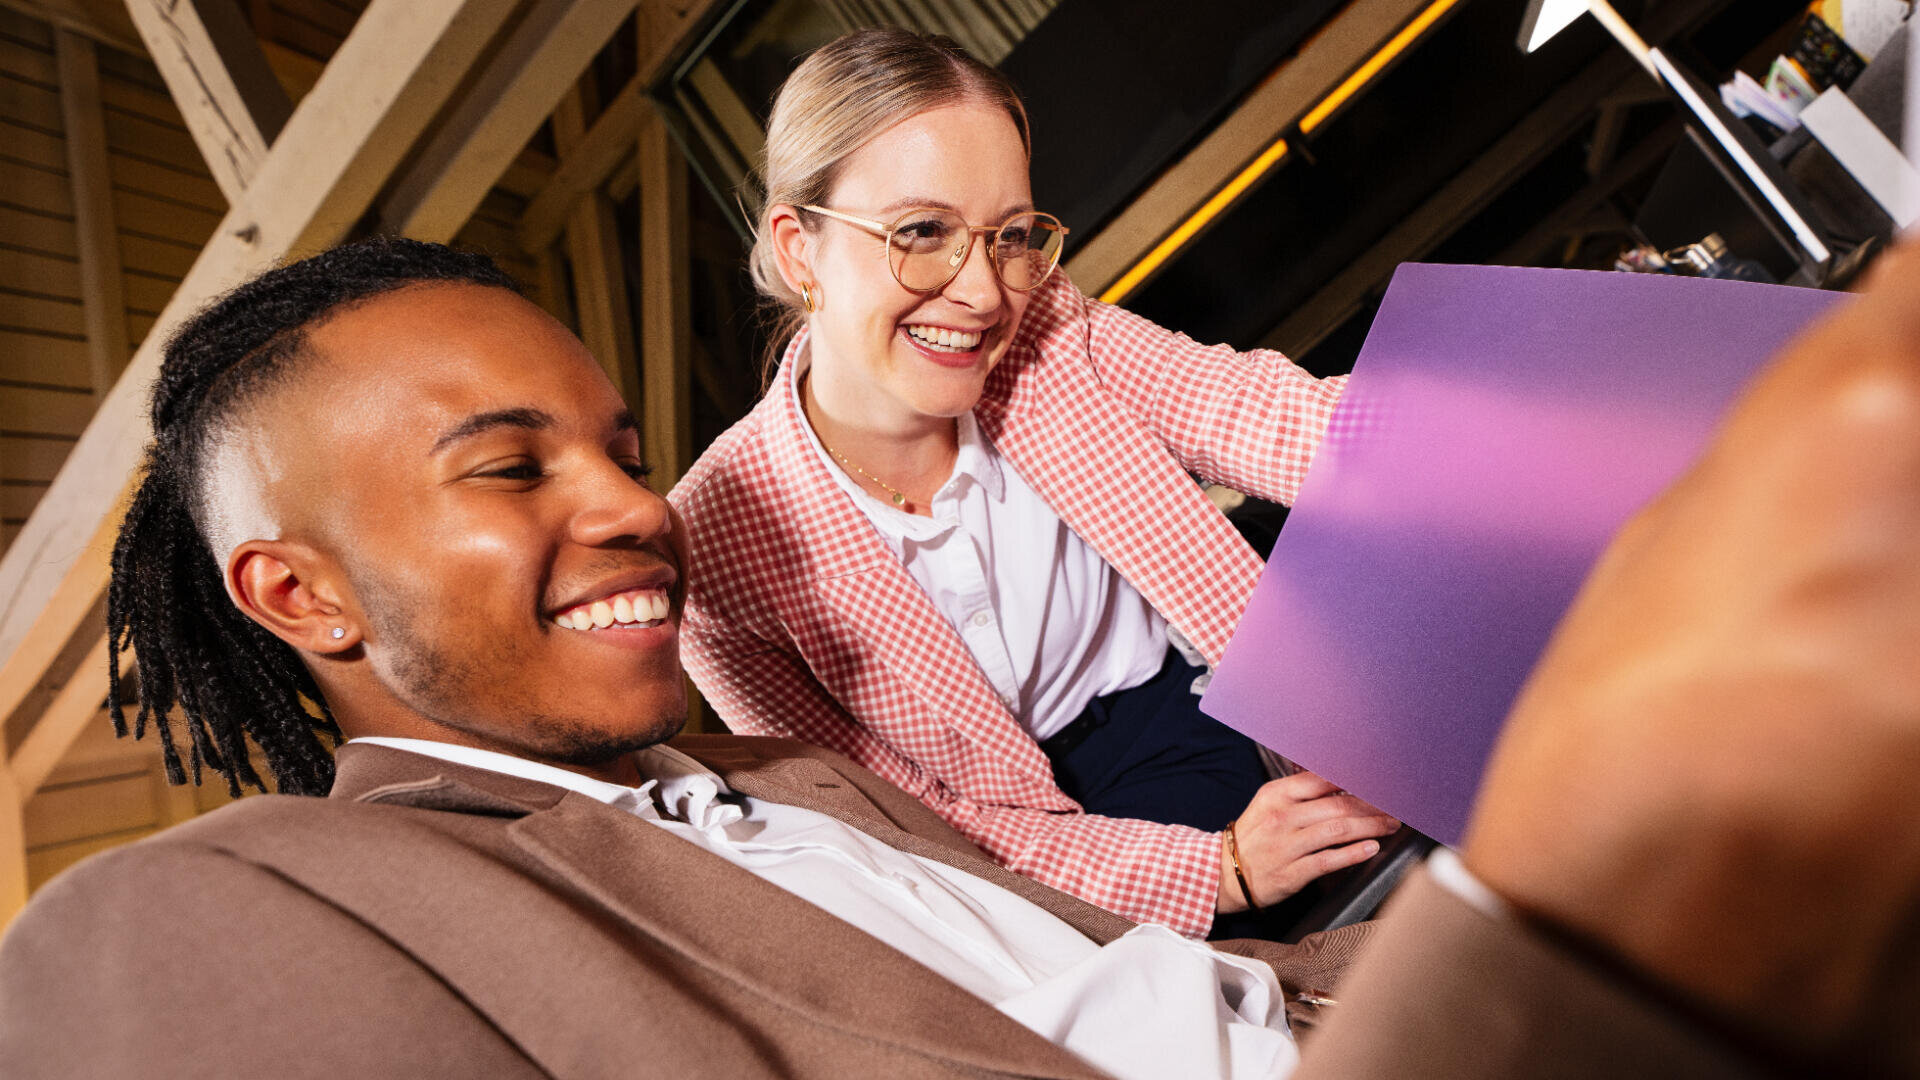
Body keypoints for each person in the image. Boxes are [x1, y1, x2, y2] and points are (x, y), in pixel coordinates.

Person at [2, 233, 1916, 1078]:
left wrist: (1577, 463)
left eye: (618, 446)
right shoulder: (187, 923)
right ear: (300, 598)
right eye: (512, 469)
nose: (632, 505)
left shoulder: (777, 778)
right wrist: (1559, 912)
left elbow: (1287, 430)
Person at [671, 28, 1396, 939]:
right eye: (922, 232)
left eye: (1010, 236)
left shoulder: (1048, 323)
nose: (984, 293)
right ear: (798, 250)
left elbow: (1270, 417)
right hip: (1022, 859)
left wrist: (1522, 431)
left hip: (1205, 704)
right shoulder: (713, 550)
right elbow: (903, 828)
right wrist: (1221, 872)